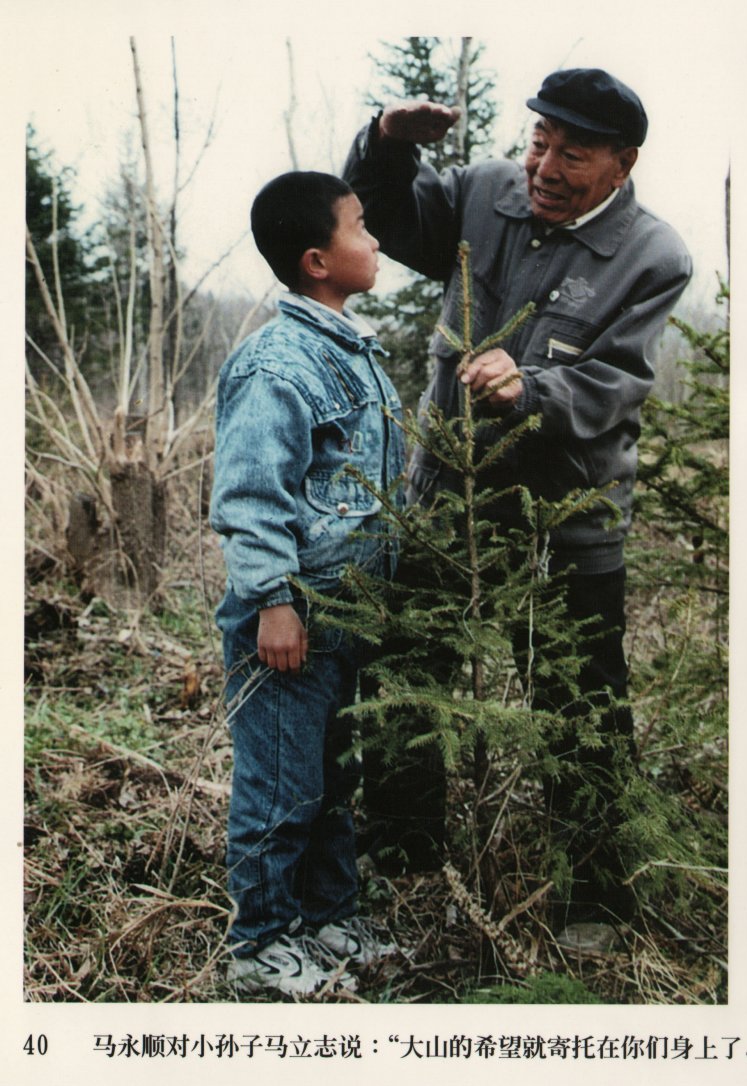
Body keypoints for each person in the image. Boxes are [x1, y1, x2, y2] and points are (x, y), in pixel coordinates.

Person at [343, 68, 692, 950]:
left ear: (622, 164)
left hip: (563, 522)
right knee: (408, 681)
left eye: (572, 154)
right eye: (538, 141)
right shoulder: (486, 191)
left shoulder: (653, 256)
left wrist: (529, 389)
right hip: (444, 495)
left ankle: (593, 901)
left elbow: (613, 384)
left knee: (580, 704)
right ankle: (408, 873)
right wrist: (386, 142)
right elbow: (386, 217)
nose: (543, 166)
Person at [210, 171, 405, 996]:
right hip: (290, 620)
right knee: (280, 783)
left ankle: (327, 917)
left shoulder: (349, 350)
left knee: (329, 776)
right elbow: (252, 500)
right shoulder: (277, 365)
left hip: (343, 615)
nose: (378, 242)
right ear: (319, 259)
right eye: (363, 228)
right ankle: (260, 943)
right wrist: (273, 604)